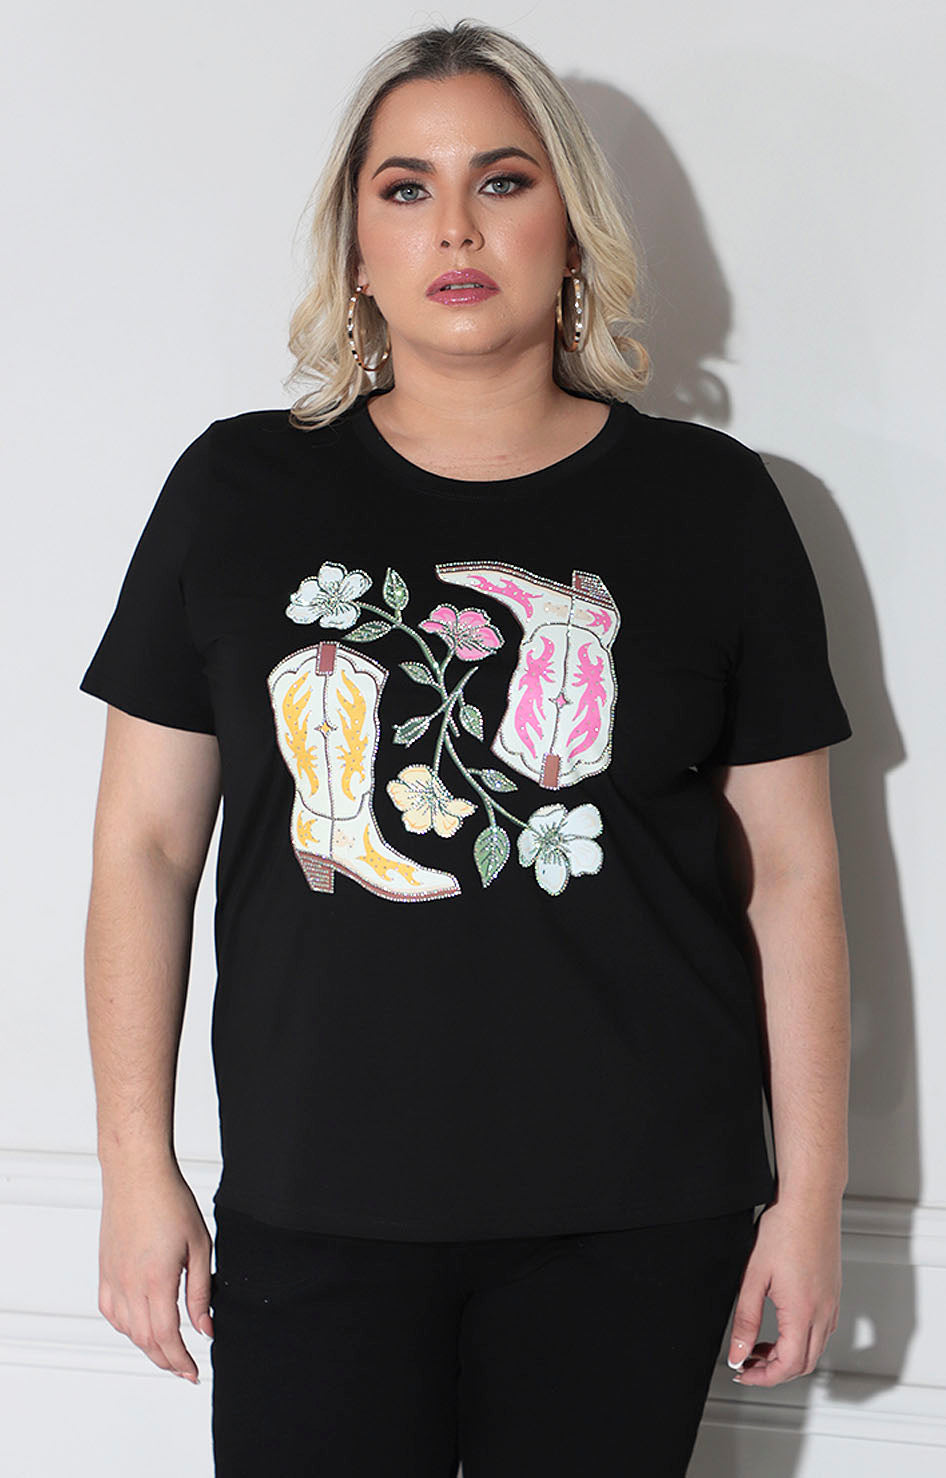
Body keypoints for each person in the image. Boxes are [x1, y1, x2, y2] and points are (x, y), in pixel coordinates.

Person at [79, 18, 853, 1477]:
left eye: (501, 181)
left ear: (570, 226)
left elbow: (796, 876)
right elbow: (145, 846)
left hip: (636, 1208)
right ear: (356, 247)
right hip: (317, 1198)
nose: (453, 226)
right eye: (405, 187)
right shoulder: (238, 490)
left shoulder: (713, 505)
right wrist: (136, 1165)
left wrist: (809, 1197)